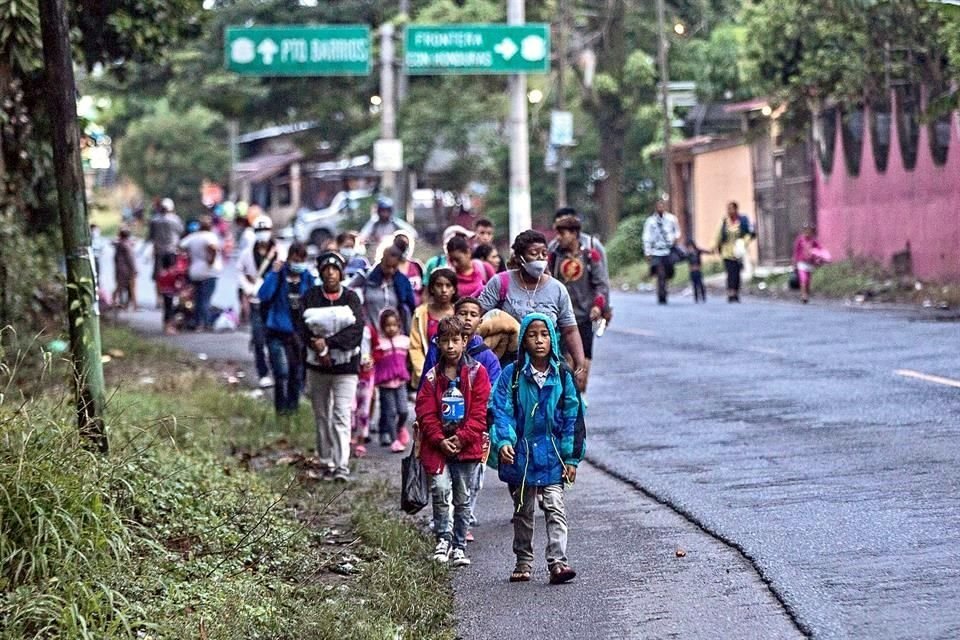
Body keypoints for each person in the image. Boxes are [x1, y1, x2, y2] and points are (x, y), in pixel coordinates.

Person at [489, 312, 585, 584]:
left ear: (552, 338)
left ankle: (558, 562)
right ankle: (523, 559)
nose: (539, 340)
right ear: (523, 341)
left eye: (544, 335)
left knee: (555, 506)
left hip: (553, 454)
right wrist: (505, 441)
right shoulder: (513, 374)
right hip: (522, 455)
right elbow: (502, 410)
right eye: (532, 335)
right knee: (523, 509)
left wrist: (572, 457)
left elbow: (572, 417)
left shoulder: (562, 374)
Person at [416, 316, 492, 567]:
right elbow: (424, 412)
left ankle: (459, 544)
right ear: (438, 343)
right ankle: (442, 539)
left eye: (455, 341)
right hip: (437, 447)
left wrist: (461, 438)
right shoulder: (431, 377)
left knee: (462, 497)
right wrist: (439, 439)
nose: (450, 346)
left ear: (465, 341)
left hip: (466, 447)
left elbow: (480, 414)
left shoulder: (477, 373)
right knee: (439, 490)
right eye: (445, 341)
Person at [477, 230, 588, 390]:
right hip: (509, 364)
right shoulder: (500, 283)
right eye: (534, 253)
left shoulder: (557, 289)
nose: (540, 258)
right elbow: (477, 315)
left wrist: (579, 364)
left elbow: (569, 330)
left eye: (544, 253)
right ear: (520, 257)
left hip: (547, 363)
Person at [300, 252, 364, 482]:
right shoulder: (310, 297)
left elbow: (356, 332)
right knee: (321, 414)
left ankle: (341, 464)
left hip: (346, 367)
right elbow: (302, 329)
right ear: (320, 272)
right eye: (326, 269)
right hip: (316, 367)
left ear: (341, 272)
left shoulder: (351, 298)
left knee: (341, 414)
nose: (330, 273)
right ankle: (325, 460)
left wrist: (327, 343)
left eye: (335, 269)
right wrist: (316, 348)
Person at [548, 207, 611, 390]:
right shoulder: (553, 251)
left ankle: (579, 404)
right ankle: (571, 410)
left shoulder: (591, 249)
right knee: (567, 367)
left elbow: (602, 283)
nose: (558, 237)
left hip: (585, 317)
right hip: (563, 319)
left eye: (562, 233)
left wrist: (600, 307)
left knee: (582, 370)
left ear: (574, 233)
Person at [258, 242, 312, 417]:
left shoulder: (307, 278)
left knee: (296, 374)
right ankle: (280, 411)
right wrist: (274, 272)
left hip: (298, 334)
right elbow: (263, 295)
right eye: (295, 259)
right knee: (281, 372)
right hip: (277, 332)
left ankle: (293, 410)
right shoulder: (278, 275)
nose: (298, 263)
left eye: (301, 260)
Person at [239, 215, 284, 388]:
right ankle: (262, 371)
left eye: (265, 230)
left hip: (274, 301)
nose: (262, 234)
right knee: (258, 338)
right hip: (256, 300)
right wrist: (247, 288)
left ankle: (276, 369)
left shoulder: (280, 251)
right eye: (259, 230)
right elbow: (240, 272)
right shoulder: (247, 253)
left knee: (275, 337)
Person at [348, 244, 416, 332]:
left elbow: (410, 307)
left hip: (394, 335)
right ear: (381, 260)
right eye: (388, 266)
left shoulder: (402, 282)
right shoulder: (366, 277)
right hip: (371, 333)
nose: (390, 270)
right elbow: (346, 290)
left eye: (394, 267)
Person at [410, 268, 458, 388]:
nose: (444, 290)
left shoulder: (459, 313)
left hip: (455, 374)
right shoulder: (421, 313)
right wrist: (424, 372)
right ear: (431, 288)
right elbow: (415, 346)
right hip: (428, 374)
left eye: (448, 285)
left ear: (454, 289)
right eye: (439, 285)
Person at [372, 308, 411, 451]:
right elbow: (373, 360)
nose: (391, 328)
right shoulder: (379, 344)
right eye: (387, 325)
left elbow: (410, 358)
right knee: (390, 412)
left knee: (403, 411)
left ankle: (400, 428)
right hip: (385, 383)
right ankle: (394, 440)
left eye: (394, 325)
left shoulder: (405, 341)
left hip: (400, 381)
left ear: (399, 325)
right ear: (382, 326)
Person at [179, 215, 222, 331]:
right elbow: (213, 247)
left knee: (198, 299)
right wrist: (211, 260)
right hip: (209, 272)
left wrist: (190, 256)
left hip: (195, 271)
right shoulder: (210, 236)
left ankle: (198, 323)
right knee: (206, 299)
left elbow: (181, 245)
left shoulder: (193, 237)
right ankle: (206, 323)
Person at [146, 197, 184, 327]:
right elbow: (180, 232)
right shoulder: (175, 220)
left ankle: (159, 298)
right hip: (171, 251)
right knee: (172, 277)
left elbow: (150, 236)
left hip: (158, 251)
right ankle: (170, 297)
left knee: (158, 276)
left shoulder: (154, 220)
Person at [642, 198, 681, 305]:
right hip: (656, 251)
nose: (660, 208)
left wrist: (674, 239)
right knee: (659, 272)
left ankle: (664, 287)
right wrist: (647, 251)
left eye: (662, 206)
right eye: (658, 206)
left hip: (668, 250)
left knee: (668, 272)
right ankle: (661, 293)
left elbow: (677, 232)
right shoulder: (650, 221)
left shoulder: (671, 219)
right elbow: (647, 236)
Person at [716, 201, 754, 303]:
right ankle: (730, 292)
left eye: (731, 208)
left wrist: (744, 242)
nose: (729, 211)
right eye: (728, 209)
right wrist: (715, 246)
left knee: (737, 273)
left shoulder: (742, 221)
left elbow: (748, 234)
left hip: (738, 252)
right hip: (727, 252)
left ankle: (736, 292)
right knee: (730, 273)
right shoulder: (725, 221)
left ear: (736, 209)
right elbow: (719, 234)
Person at [379, 230, 426, 306]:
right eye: (400, 245)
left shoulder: (416, 266)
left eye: (406, 245)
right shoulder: (388, 267)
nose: (404, 249)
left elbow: (424, 289)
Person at [793, 225, 827, 304]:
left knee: (808, 281)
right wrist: (795, 262)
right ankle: (803, 295)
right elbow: (796, 251)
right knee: (803, 279)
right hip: (801, 262)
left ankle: (806, 295)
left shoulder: (813, 241)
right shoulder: (800, 240)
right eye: (806, 231)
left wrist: (821, 257)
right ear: (804, 231)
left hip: (810, 263)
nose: (808, 233)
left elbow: (819, 249)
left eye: (810, 231)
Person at [112, 227, 138, 310]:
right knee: (131, 288)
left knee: (120, 287)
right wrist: (134, 270)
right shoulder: (126, 245)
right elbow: (130, 259)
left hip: (119, 270)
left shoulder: (119, 244)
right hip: (127, 270)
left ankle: (117, 302)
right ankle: (134, 305)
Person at [685, 238, 707, 303]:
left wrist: (711, 251)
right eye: (688, 247)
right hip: (692, 271)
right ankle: (696, 298)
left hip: (698, 270)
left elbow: (704, 251)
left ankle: (703, 297)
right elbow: (682, 258)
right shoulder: (688, 254)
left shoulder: (697, 251)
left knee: (700, 284)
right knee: (694, 285)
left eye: (690, 246)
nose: (690, 248)